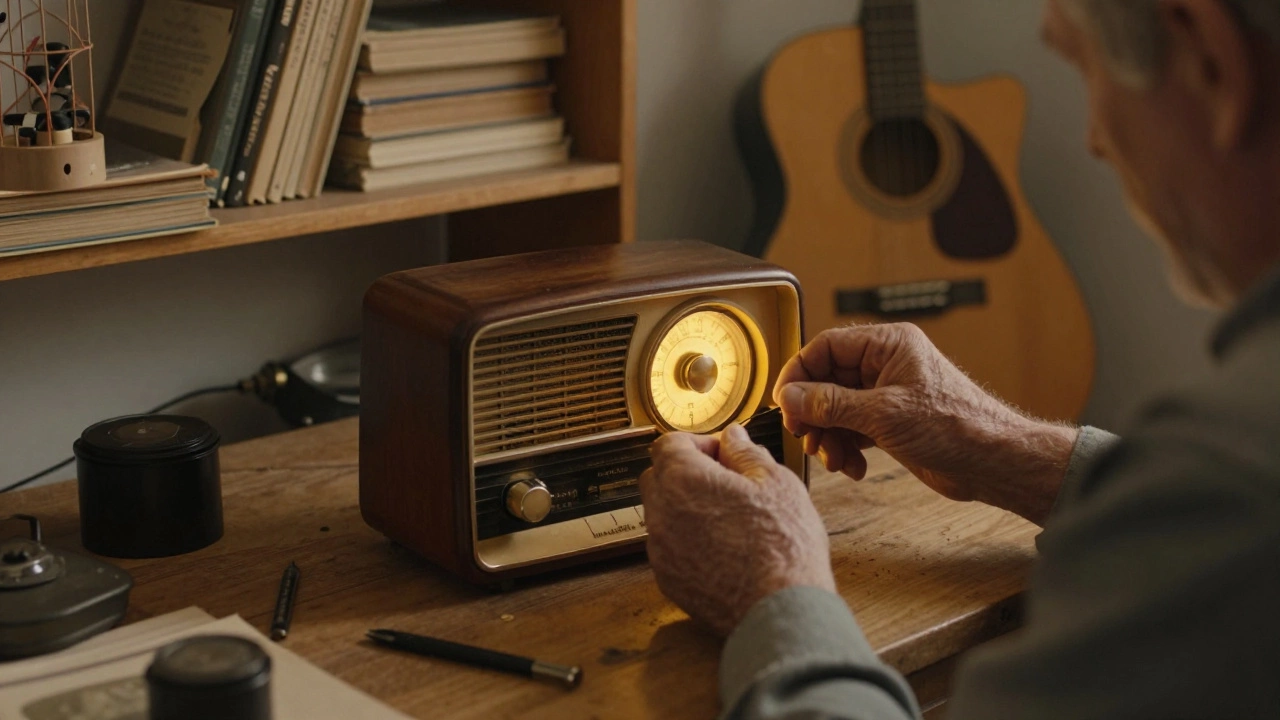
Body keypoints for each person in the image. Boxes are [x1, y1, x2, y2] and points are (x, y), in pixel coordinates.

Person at [638, 0, 1280, 717]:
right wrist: (1000, 444)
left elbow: (1227, 504)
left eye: (1083, 63)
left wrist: (776, 589)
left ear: (1212, 59)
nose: (1095, 139)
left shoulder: (1233, 480)